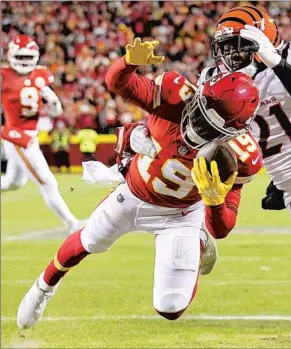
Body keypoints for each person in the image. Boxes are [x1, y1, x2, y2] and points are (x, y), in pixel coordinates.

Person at [16, 38, 262, 329]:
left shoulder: (242, 156)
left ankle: (196, 238)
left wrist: (214, 200)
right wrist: (129, 62)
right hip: (134, 193)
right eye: (200, 114)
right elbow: (118, 83)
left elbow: (222, 228)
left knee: (170, 307)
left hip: (181, 215)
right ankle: (43, 289)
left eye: (211, 127)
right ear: (200, 96)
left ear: (234, 131)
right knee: (86, 242)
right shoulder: (175, 94)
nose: (197, 126)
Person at [200, 5, 291, 271]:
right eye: (225, 47)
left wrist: (274, 60)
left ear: (260, 40)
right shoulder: (223, 83)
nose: (229, 54)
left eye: (236, 44)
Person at [1, 35, 80, 233]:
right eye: (21, 57)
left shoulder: (41, 76)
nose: (24, 61)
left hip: (30, 135)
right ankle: (72, 223)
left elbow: (56, 111)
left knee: (14, 182)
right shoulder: (4, 75)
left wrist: (53, 102)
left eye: (28, 58)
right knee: (47, 181)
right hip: (18, 136)